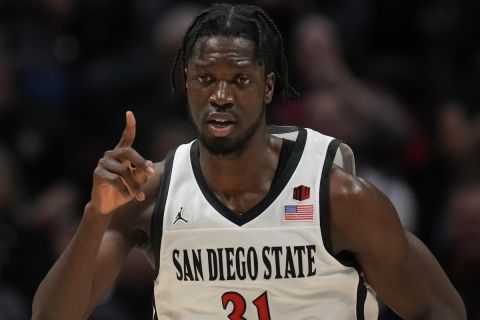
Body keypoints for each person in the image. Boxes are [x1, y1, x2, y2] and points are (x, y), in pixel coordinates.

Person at [32, 3, 466, 319]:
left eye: (240, 79)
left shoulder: (338, 196)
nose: (220, 97)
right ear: (187, 84)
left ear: (268, 87)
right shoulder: (152, 194)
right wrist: (93, 217)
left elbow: (441, 309)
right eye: (205, 79)